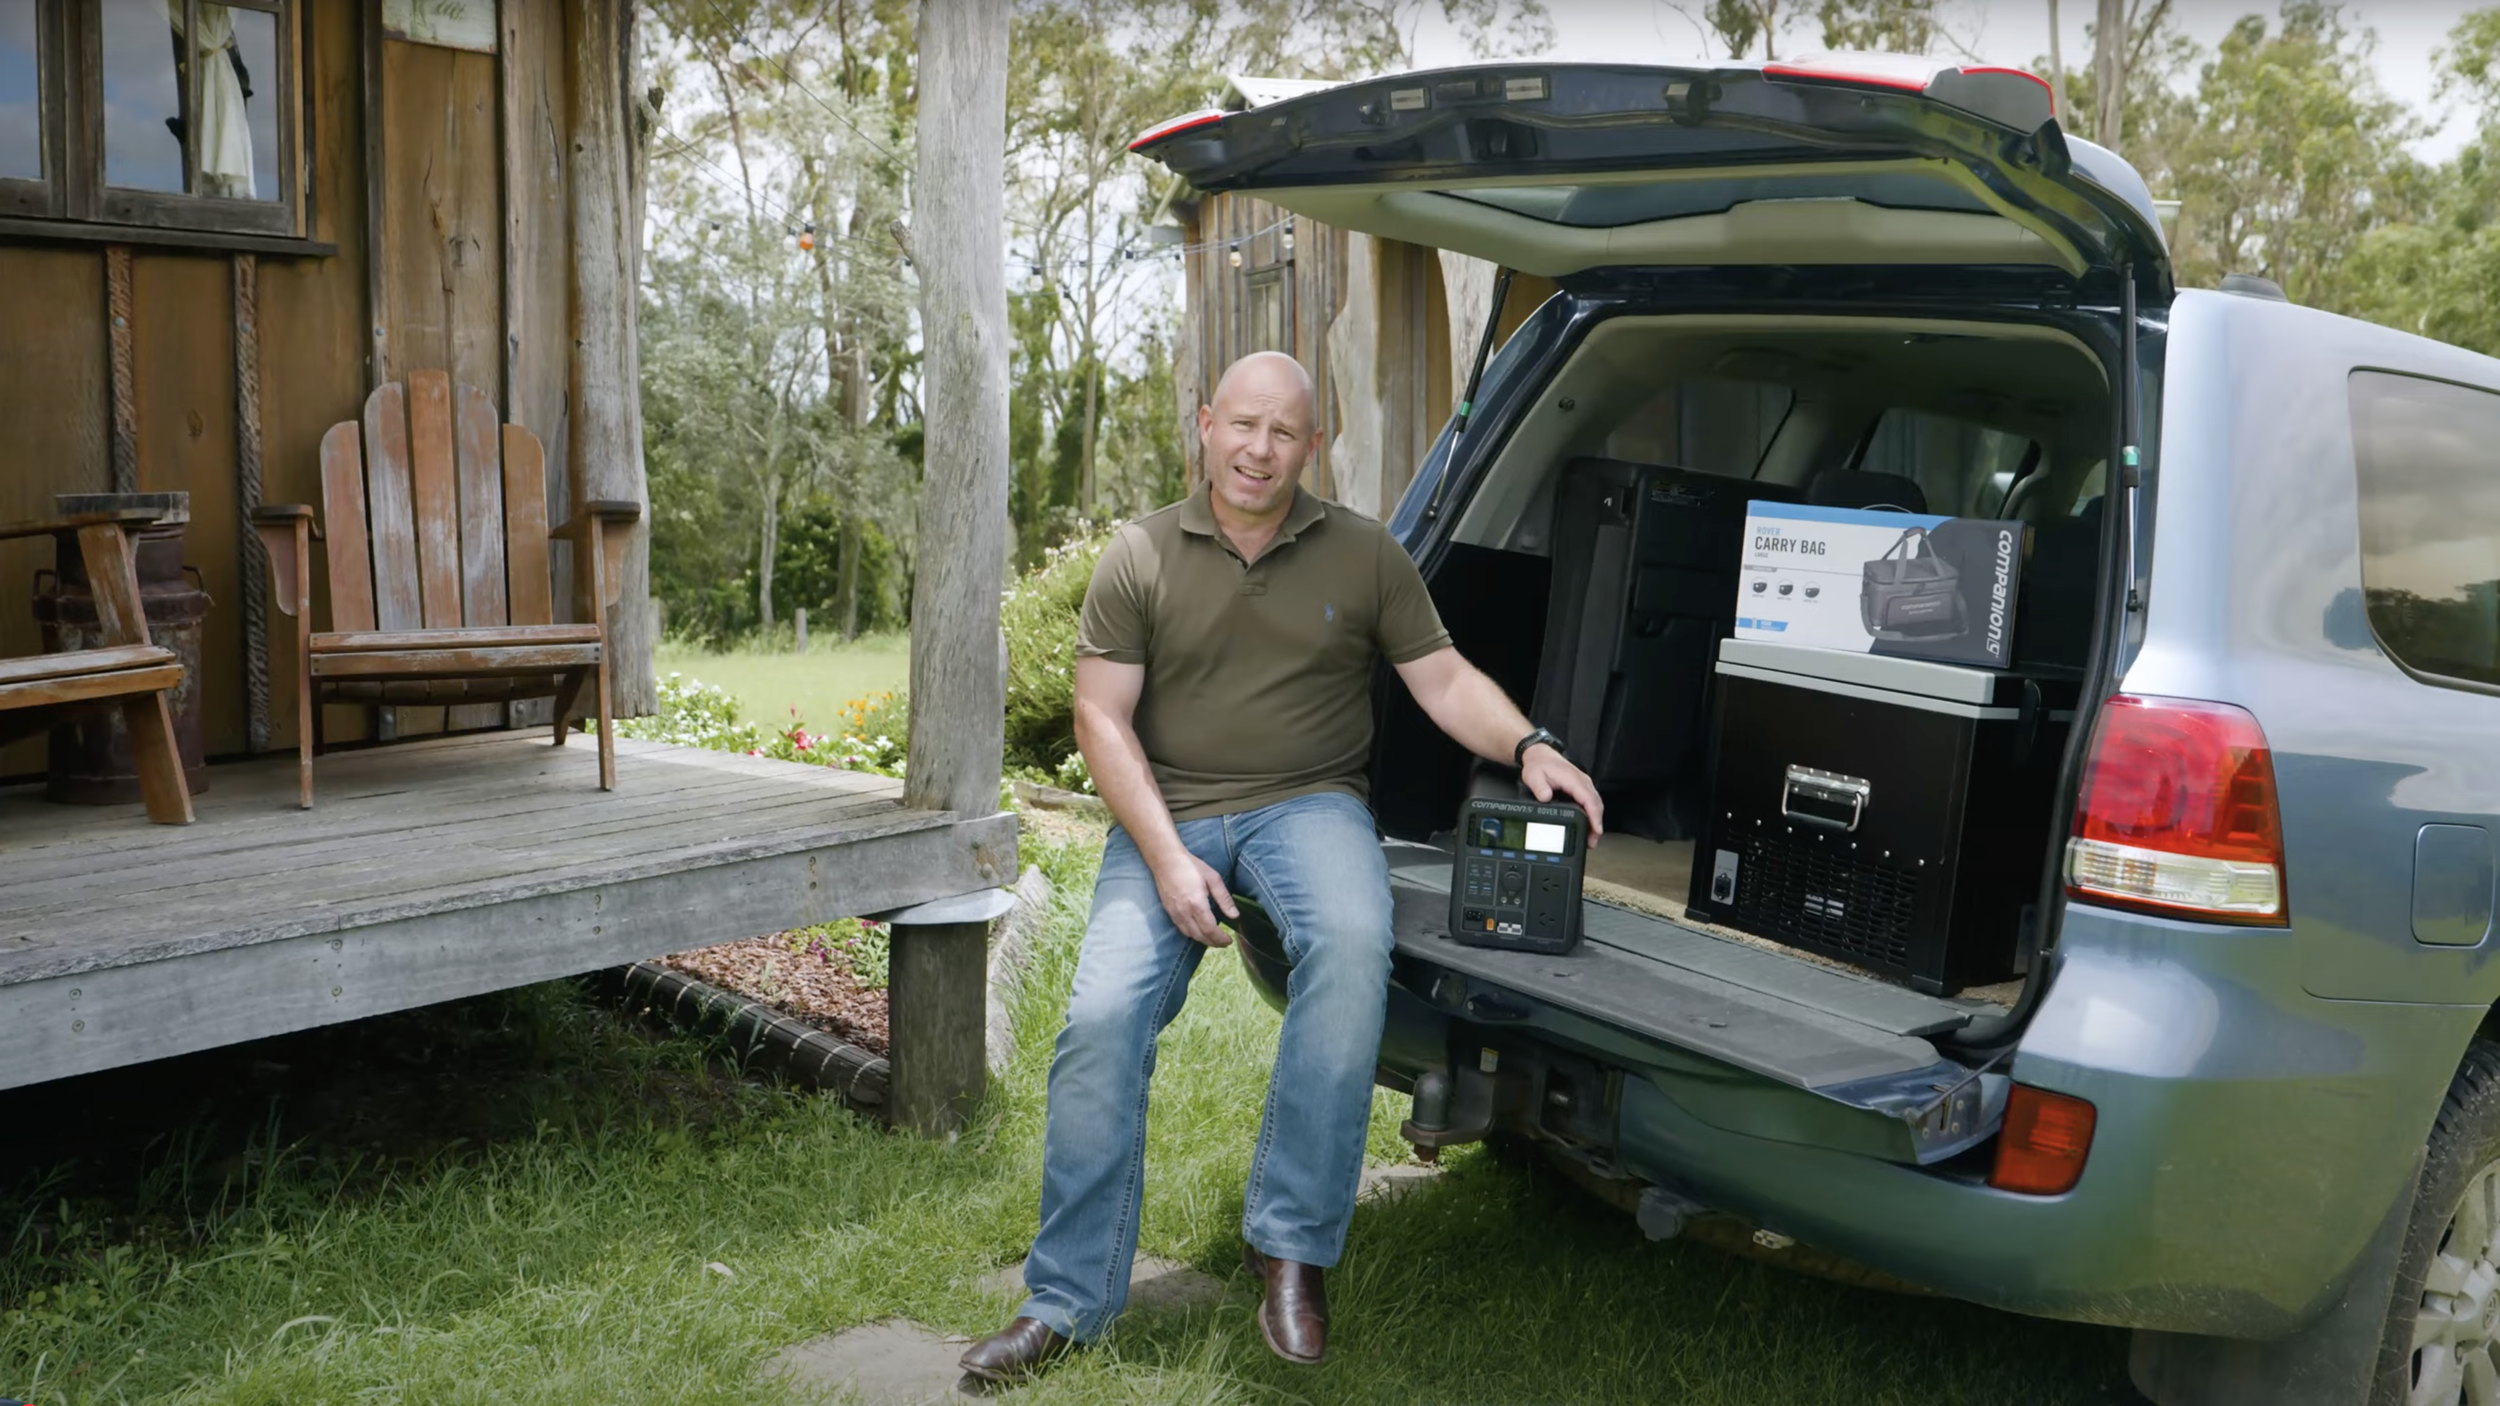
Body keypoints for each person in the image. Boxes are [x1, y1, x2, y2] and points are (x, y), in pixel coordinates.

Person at [959, 351, 1603, 1383]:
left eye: (1284, 432)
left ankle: (1291, 1245)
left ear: (1314, 445)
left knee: (1350, 949)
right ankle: (1066, 1300)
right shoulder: (1139, 554)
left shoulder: (1364, 554)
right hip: (1167, 809)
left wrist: (1529, 744)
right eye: (1243, 425)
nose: (1259, 449)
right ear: (1206, 424)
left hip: (1310, 804)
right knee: (1101, 1019)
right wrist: (1167, 859)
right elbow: (1101, 719)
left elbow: (1441, 678)